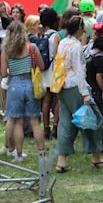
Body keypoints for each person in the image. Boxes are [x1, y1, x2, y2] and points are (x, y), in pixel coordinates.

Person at [55, 16, 103, 172]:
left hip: (63, 86)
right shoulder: (76, 46)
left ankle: (61, 161)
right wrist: (85, 94)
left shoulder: (63, 42)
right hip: (75, 87)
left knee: (67, 123)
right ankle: (97, 157)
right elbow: (80, 71)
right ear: (80, 29)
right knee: (92, 119)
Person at [0, 21, 46, 162]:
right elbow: (42, 66)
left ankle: (19, 155)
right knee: (35, 122)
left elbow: (3, 73)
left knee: (18, 122)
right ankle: (42, 155)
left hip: (14, 85)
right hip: (30, 84)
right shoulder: (32, 47)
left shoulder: (6, 50)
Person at [39, 7, 59, 139]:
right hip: (54, 70)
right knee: (57, 100)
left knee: (46, 101)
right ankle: (56, 127)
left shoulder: (40, 36)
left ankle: (45, 127)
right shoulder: (55, 36)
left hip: (43, 71)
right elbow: (57, 55)